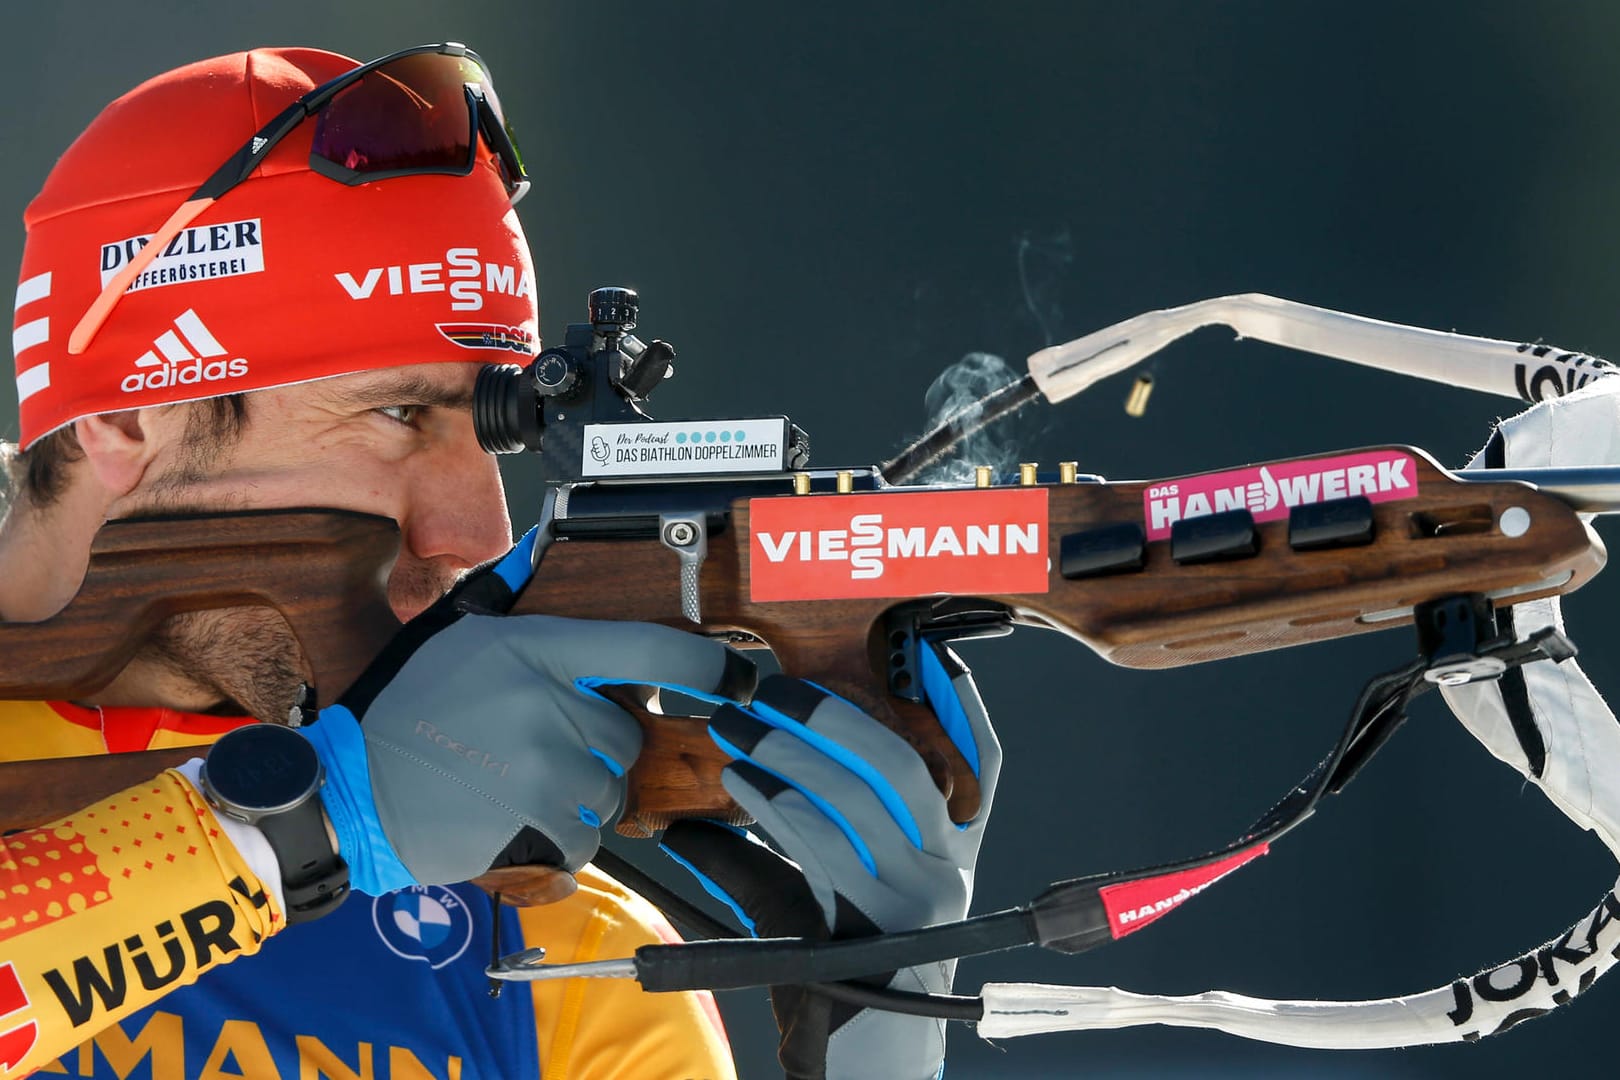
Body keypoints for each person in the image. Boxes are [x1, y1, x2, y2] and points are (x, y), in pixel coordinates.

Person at [0, 45, 1000, 1079]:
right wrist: (302, 827)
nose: (478, 533)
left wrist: (880, 1040)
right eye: (398, 415)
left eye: (496, 432)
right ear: (125, 417)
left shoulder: (554, 948)